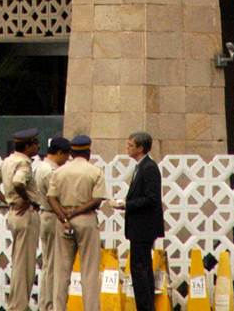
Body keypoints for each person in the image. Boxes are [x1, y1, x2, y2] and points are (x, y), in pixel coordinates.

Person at [48, 133, 106, 311]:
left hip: (63, 220)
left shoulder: (59, 172)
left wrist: (63, 216)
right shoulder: (95, 172)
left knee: (61, 271)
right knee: (89, 271)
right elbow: (97, 200)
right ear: (88, 152)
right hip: (86, 219)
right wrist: (77, 212)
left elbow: (51, 198)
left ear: (71, 153)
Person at [0, 127, 41, 311]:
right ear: (28, 146)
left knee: (18, 262)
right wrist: (26, 199)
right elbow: (18, 182)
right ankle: (18, 306)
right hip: (26, 215)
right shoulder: (24, 163)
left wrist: (8, 201)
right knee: (25, 265)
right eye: (35, 143)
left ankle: (16, 304)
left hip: (13, 214)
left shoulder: (8, 161)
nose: (38, 146)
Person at [115, 131, 164, 311]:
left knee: (140, 270)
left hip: (144, 228)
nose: (127, 148)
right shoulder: (140, 166)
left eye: (131, 145)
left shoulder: (149, 167)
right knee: (142, 269)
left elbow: (151, 198)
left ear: (141, 148)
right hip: (139, 228)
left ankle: (145, 306)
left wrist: (126, 205)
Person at [34, 136, 72, 311]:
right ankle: (48, 305)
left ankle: (45, 304)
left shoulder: (41, 167)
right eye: (66, 155)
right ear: (59, 153)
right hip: (52, 215)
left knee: (48, 263)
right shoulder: (51, 172)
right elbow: (56, 197)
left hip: (45, 215)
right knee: (52, 265)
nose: (67, 159)